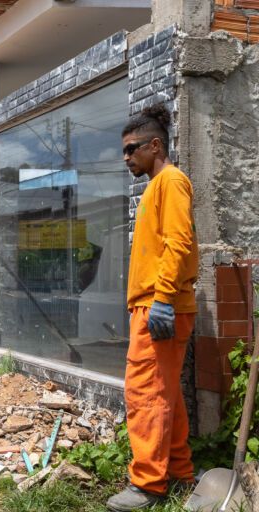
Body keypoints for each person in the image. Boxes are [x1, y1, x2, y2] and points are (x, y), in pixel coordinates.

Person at [107, 104, 198, 511]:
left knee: (145, 395)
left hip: (160, 307)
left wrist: (162, 298)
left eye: (132, 149)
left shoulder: (171, 181)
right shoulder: (156, 186)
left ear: (155, 145)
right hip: (155, 305)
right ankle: (179, 474)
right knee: (166, 395)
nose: (126, 158)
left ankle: (147, 485)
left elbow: (178, 243)